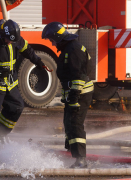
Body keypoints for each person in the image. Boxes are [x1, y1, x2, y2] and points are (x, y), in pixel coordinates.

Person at [0, 19, 45, 153]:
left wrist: (38, 61)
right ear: (1, 35)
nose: (9, 42)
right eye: (7, 40)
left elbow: (27, 50)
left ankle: (0, 135)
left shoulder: (15, 39)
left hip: (10, 82)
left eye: (12, 40)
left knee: (17, 107)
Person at [42, 22, 94, 168]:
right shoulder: (68, 49)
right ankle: (73, 153)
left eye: (52, 40)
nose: (52, 44)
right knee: (69, 123)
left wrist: (74, 97)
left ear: (58, 38)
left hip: (80, 94)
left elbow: (79, 76)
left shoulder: (74, 50)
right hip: (74, 94)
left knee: (75, 124)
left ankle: (81, 160)